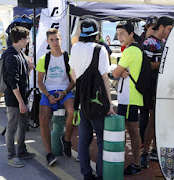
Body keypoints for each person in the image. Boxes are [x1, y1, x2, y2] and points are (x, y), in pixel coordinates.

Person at [70, 18, 114, 180]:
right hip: (97, 101)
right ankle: (101, 175)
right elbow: (105, 79)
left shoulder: (75, 48)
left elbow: (74, 76)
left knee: (84, 139)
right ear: (96, 34)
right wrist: (109, 103)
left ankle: (86, 174)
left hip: (82, 100)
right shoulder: (100, 50)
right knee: (102, 141)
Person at [36, 28, 75, 166]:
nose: (55, 42)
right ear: (47, 41)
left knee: (72, 112)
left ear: (61, 39)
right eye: (51, 40)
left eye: (57, 39)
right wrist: (48, 95)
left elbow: (73, 80)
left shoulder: (68, 58)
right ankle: (49, 153)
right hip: (49, 91)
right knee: (43, 118)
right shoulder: (44, 59)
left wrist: (64, 92)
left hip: (64, 90)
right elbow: (39, 81)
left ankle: (67, 139)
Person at [140, 16, 173, 168]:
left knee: (159, 120)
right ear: (161, 27)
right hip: (151, 87)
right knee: (152, 120)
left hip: (162, 86)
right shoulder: (148, 43)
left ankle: (153, 150)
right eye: (168, 29)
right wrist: (163, 64)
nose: (169, 32)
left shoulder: (165, 43)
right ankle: (145, 153)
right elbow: (146, 66)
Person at [112, 20, 143, 176]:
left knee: (130, 131)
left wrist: (118, 71)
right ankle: (136, 162)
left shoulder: (130, 51)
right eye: (118, 34)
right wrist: (120, 70)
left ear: (131, 34)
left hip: (129, 97)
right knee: (131, 131)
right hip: (129, 97)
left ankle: (135, 163)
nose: (120, 37)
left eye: (123, 34)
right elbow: (119, 72)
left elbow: (116, 73)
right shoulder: (133, 49)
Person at [2, 26, 36, 168]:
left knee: (22, 124)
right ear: (21, 40)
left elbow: (20, 78)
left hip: (20, 97)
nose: (28, 41)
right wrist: (21, 102)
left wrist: (28, 68)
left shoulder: (19, 53)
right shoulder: (12, 56)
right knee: (12, 127)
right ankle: (11, 155)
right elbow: (12, 82)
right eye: (27, 39)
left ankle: (21, 150)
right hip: (14, 99)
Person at [138, 15, 158, 145]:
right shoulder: (141, 42)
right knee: (144, 114)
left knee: (152, 114)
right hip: (143, 83)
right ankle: (143, 143)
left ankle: (149, 144)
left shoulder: (156, 42)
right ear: (146, 27)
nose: (154, 30)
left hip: (154, 82)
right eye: (152, 28)